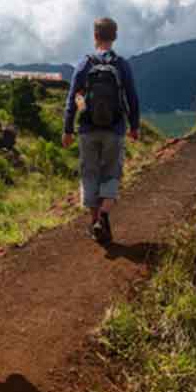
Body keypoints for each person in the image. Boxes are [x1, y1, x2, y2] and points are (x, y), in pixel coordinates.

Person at [62, 17, 140, 246]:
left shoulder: (84, 64)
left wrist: (68, 129)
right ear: (114, 36)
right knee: (111, 173)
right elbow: (132, 98)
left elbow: (71, 99)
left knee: (90, 174)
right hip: (114, 129)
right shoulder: (121, 64)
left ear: (95, 36)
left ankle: (95, 221)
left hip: (87, 129)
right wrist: (134, 126)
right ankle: (104, 215)